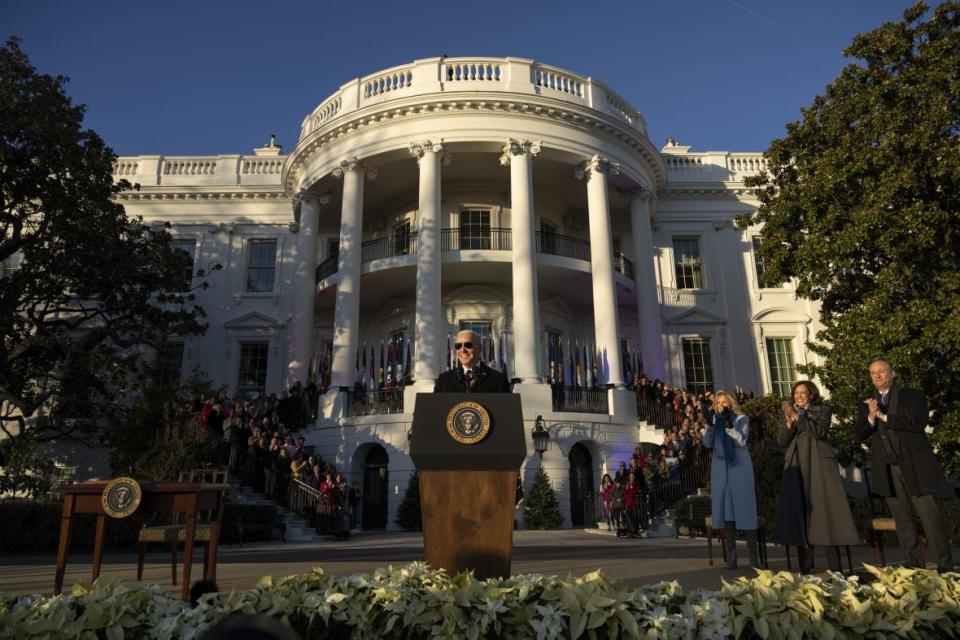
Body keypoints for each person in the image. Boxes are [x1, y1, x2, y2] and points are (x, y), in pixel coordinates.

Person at [854, 359, 953, 572]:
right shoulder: (867, 401)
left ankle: (945, 567)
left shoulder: (912, 395)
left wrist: (883, 415)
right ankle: (913, 567)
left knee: (930, 518)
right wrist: (871, 418)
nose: (877, 376)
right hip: (889, 469)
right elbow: (859, 434)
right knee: (903, 522)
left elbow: (918, 423)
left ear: (892, 373)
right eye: (873, 373)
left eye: (881, 371)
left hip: (916, 465)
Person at [775, 380, 859, 573]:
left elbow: (819, 432)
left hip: (818, 464)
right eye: (796, 393)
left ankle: (835, 568)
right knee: (800, 511)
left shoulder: (822, 410)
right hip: (797, 463)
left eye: (803, 392)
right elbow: (781, 441)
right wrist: (789, 423)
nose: (799, 396)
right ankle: (805, 567)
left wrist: (799, 418)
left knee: (826, 511)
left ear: (811, 394)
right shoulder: (787, 414)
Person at [703, 390, 759, 569]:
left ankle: (753, 557)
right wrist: (710, 426)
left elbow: (741, 441)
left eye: (723, 402)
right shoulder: (714, 420)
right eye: (718, 403)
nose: (720, 405)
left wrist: (728, 425)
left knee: (745, 507)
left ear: (731, 403)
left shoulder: (741, 419)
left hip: (739, 465)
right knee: (727, 511)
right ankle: (732, 557)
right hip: (720, 467)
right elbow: (707, 443)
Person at [434, 329, 511, 393]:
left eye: (468, 345)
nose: (463, 350)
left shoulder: (498, 380)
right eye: (458, 346)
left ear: (480, 348)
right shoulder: (443, 380)